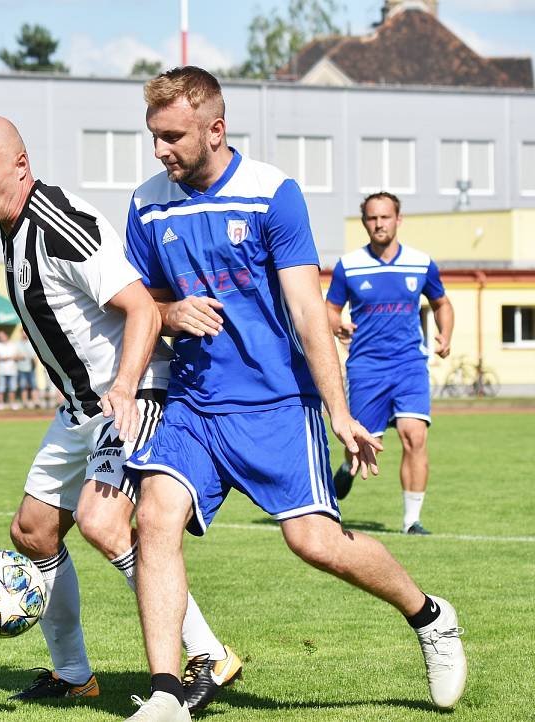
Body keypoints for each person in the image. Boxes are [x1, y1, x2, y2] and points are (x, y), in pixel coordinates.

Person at [122, 67, 466, 721]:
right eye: (155, 137)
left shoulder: (272, 193)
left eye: (173, 136)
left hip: (276, 404)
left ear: (214, 129)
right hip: (194, 404)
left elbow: (310, 311)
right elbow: (143, 303)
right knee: (154, 517)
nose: (161, 150)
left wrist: (339, 412)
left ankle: (429, 616)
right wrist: (169, 316)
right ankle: (167, 694)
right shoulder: (146, 204)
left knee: (314, 542)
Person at [0, 116, 239, 709]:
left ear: (20, 165)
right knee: (33, 532)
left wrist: (128, 388)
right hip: (80, 407)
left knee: (104, 524)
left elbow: (137, 307)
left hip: (131, 395)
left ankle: (207, 652)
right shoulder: (10, 227)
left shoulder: (59, 224)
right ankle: (73, 673)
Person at [326, 192, 455, 534]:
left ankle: (412, 521)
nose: (379, 223)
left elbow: (442, 303)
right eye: (372, 218)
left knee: (415, 436)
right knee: (361, 449)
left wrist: (445, 335)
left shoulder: (421, 262)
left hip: (410, 364)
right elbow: (329, 310)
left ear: (399, 219)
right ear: (365, 222)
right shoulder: (349, 266)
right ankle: (345, 471)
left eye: (385, 217)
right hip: (367, 368)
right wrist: (337, 324)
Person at [0, 329, 18, 409]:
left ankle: (12, 404)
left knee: (12, 388)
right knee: (1, 388)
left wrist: (11, 357)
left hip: (12, 370)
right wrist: (3, 358)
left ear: (6, 336)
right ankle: (0, 404)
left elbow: (18, 356)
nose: (0, 337)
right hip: (1, 370)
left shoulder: (13, 345)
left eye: (2, 336)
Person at [17, 331, 40, 409]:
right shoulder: (18, 344)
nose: (25, 334)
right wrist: (19, 357)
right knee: (23, 386)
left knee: (34, 386)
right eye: (23, 332)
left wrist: (35, 364)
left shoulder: (31, 343)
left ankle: (36, 402)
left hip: (31, 368)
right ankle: (25, 403)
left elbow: (35, 356)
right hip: (21, 368)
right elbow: (15, 355)